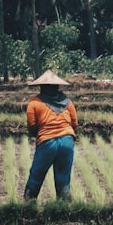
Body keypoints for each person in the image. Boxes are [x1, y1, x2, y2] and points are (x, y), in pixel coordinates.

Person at [23, 70, 78, 202]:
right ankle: (64, 209)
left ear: (41, 87)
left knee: (36, 175)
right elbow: (74, 123)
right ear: (57, 87)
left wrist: (39, 134)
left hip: (47, 142)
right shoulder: (68, 102)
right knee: (63, 177)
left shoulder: (34, 103)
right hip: (67, 141)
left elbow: (32, 125)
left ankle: (29, 205)